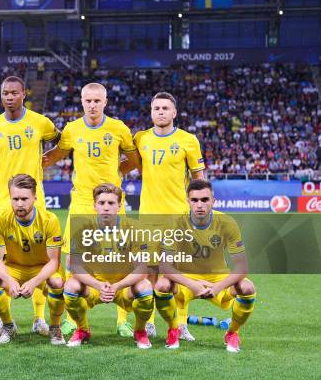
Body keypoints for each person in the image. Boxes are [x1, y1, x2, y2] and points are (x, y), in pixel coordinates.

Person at [43, 82, 139, 337]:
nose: (92, 105)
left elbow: (135, 159)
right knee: (69, 259)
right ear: (82, 101)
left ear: (105, 101)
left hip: (113, 202)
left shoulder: (118, 128)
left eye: (97, 101)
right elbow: (56, 155)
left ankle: (123, 319)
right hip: (82, 203)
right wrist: (32, 160)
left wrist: (119, 173)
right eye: (88, 101)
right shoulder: (72, 129)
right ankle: (73, 320)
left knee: (120, 258)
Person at [0, 76, 61, 335]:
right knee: (5, 258)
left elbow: (60, 142)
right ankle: (6, 320)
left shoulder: (40, 122)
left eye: (14, 93)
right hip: (4, 200)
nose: (9, 97)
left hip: (33, 197)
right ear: (1, 95)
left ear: (23, 94)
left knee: (38, 255)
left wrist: (45, 162)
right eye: (5, 92)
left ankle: (40, 317)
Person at [131, 91, 206, 340]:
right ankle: (149, 322)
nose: (160, 112)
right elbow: (130, 165)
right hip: (149, 216)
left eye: (165, 108)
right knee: (150, 271)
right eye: (156, 108)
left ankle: (181, 323)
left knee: (178, 272)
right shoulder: (140, 139)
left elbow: (199, 179)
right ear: (151, 112)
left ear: (174, 113)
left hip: (179, 216)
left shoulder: (188, 140)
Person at [154, 179, 256, 353]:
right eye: (194, 200)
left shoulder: (227, 223)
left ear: (213, 201)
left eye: (204, 200)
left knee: (247, 287)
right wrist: (193, 284)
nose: (199, 205)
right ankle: (173, 329)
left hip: (218, 279)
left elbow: (242, 267)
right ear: (188, 201)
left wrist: (217, 287)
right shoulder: (175, 223)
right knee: (162, 285)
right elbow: (164, 266)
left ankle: (232, 332)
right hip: (186, 280)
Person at [63, 183, 155, 348]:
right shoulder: (82, 229)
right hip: (94, 286)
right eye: (102, 203)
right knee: (70, 286)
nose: (106, 207)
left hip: (123, 288)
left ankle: (140, 331)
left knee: (146, 287)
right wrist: (98, 285)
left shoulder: (134, 228)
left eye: (111, 203)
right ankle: (83, 329)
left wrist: (117, 286)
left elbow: (142, 268)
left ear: (119, 206)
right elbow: (74, 266)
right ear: (94, 205)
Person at [0, 174, 65, 345]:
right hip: (14, 267)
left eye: (24, 199)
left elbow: (54, 262)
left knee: (57, 283)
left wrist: (34, 282)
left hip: (42, 267)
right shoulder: (0, 221)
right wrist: (9, 280)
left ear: (35, 198)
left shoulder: (50, 220)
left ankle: (55, 328)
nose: (19, 204)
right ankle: (8, 325)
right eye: (15, 199)